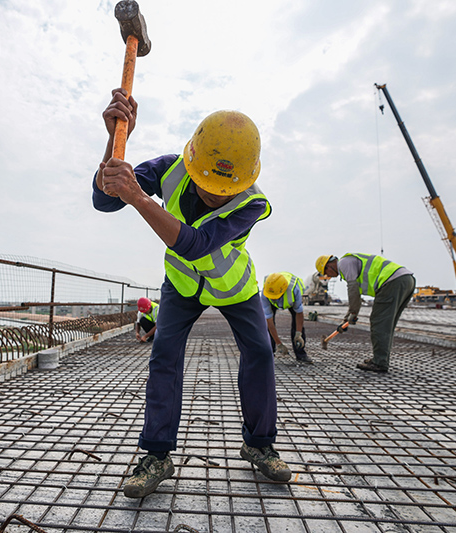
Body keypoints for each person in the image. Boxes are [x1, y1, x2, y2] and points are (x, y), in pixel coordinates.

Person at [93, 88, 291, 499]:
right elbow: (104, 200)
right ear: (192, 161)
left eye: (225, 188)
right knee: (164, 353)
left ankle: (260, 445)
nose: (215, 193)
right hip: (182, 286)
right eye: (206, 181)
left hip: (235, 288)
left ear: (247, 177)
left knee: (260, 352)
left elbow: (197, 244)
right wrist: (113, 140)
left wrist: (138, 198)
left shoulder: (253, 203)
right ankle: (157, 454)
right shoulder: (171, 169)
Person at [316, 254, 415, 373]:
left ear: (329, 266)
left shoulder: (344, 264)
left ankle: (380, 362)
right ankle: (380, 359)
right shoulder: (349, 264)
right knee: (386, 324)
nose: (329, 277)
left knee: (379, 323)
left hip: (391, 282)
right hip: (406, 280)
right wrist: (348, 317)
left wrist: (353, 312)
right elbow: (356, 296)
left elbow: (352, 290)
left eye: (326, 273)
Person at [261, 272, 312, 363]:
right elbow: (269, 321)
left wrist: (298, 334)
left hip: (291, 301)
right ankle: (269, 354)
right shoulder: (265, 293)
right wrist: (279, 344)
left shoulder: (294, 290)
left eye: (275, 297)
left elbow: (299, 314)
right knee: (266, 328)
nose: (273, 299)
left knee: (297, 326)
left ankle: (301, 354)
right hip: (275, 301)